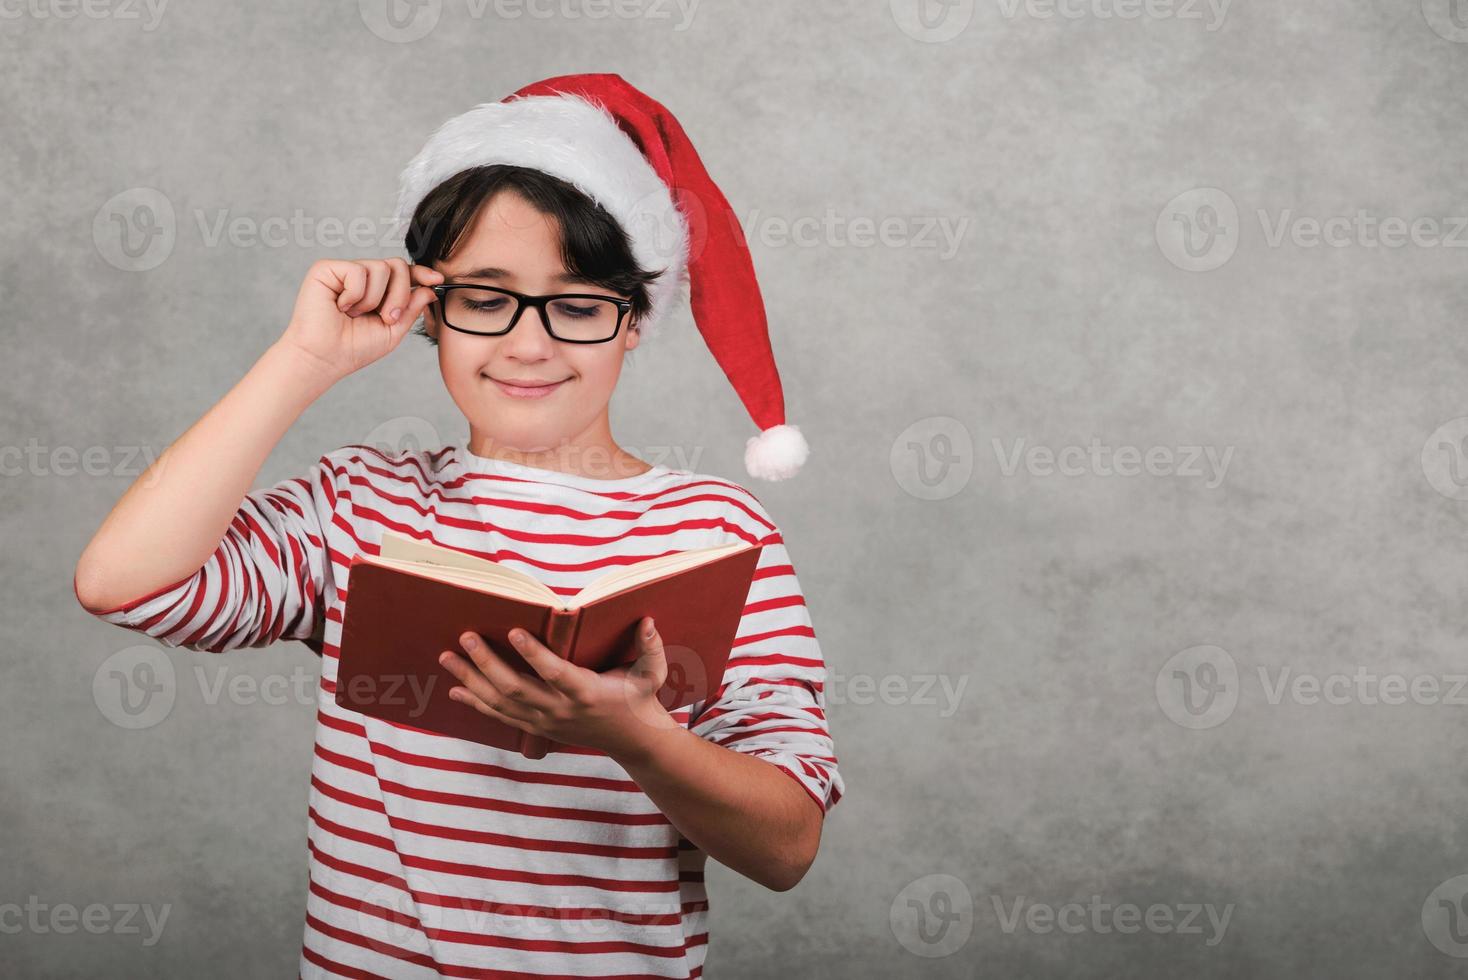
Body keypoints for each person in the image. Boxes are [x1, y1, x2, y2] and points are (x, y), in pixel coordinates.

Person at [73, 74, 844, 977]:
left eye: (580, 305)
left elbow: (787, 847)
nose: (528, 344)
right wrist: (303, 361)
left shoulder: (717, 530)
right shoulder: (357, 506)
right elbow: (124, 584)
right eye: (487, 297)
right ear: (430, 307)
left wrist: (636, 737)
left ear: (633, 322)